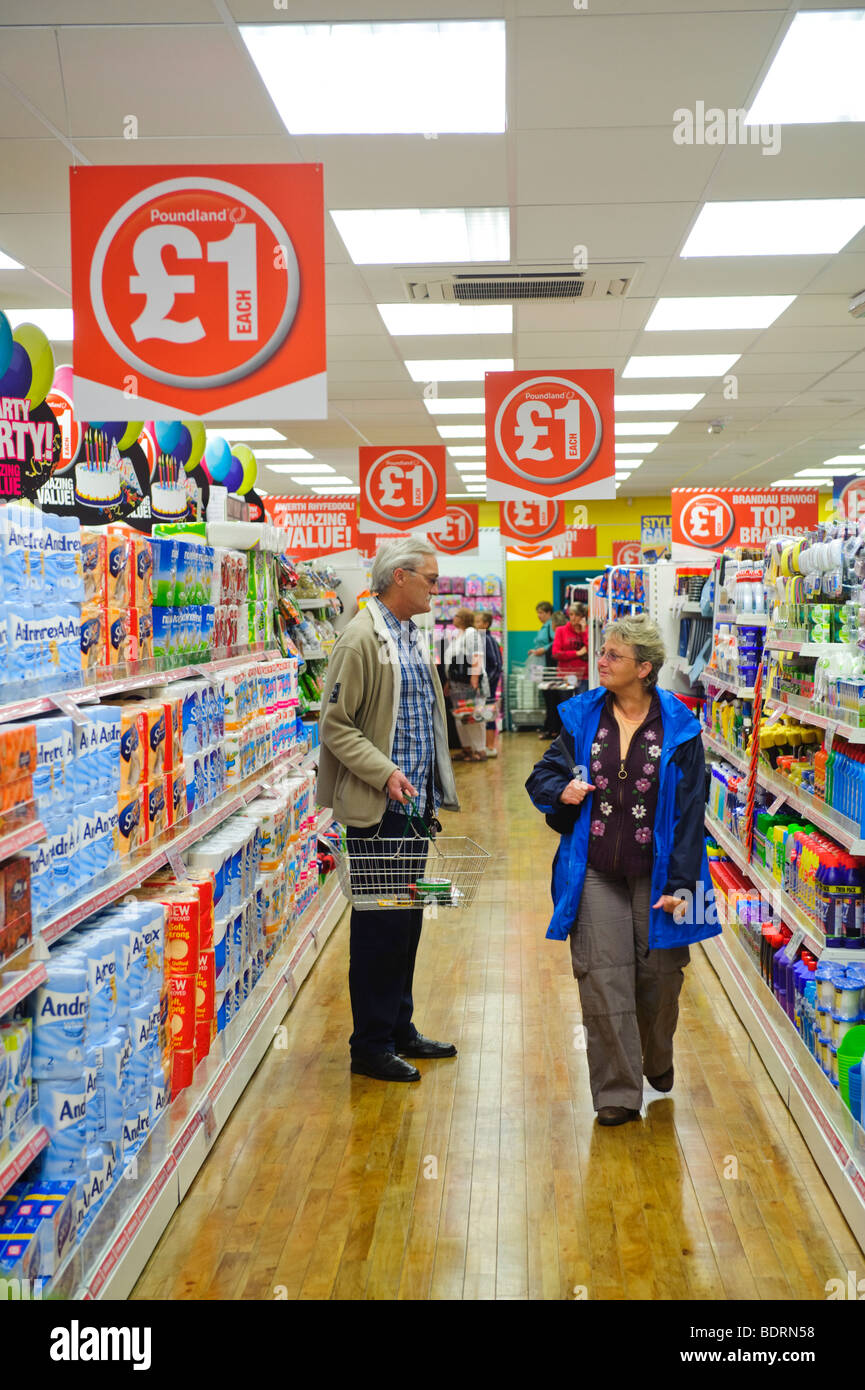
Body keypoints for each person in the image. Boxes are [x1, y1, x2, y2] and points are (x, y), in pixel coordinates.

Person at [525, 614, 718, 1127]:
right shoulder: (583, 716)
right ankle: (616, 1093)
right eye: (603, 652)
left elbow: (690, 812)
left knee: (660, 978)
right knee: (603, 978)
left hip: (659, 876)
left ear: (645, 668)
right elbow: (542, 774)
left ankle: (655, 1058)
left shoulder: (681, 727)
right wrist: (560, 791)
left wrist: (682, 885)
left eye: (614, 655)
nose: (601, 661)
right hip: (594, 869)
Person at [317, 537, 459, 1083]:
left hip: (413, 805)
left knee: (405, 921)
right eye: (430, 579)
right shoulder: (359, 638)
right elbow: (336, 725)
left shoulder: (407, 635)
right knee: (379, 927)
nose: (436, 588)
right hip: (379, 808)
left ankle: (399, 1027)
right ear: (399, 578)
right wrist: (386, 772)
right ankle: (370, 1045)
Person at [444, 608, 489, 762]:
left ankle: (480, 750)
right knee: (461, 717)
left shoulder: (471, 633)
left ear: (463, 618)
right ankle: (467, 749)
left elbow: (477, 655)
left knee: (474, 717)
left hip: (470, 684)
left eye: (456, 615)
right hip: (457, 684)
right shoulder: (458, 636)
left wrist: (474, 679)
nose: (453, 618)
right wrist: (449, 682)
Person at [545, 603, 589, 737]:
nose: (573, 618)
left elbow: (591, 650)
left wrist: (584, 631)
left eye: (577, 615)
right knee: (567, 709)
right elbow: (556, 653)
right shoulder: (561, 631)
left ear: (583, 617)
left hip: (585, 676)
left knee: (583, 708)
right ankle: (567, 737)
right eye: (571, 614)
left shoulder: (587, 631)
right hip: (565, 675)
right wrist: (576, 653)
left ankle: (581, 736)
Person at [475, 611, 503, 757]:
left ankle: (490, 746)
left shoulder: (487, 639)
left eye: (479, 621)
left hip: (488, 686)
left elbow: (497, 664)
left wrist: (487, 682)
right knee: (484, 714)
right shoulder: (480, 639)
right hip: (485, 685)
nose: (476, 624)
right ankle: (487, 745)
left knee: (488, 713)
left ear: (486, 624)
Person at [539, 611, 568, 740]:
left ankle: (552, 730)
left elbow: (555, 655)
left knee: (552, 703)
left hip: (553, 674)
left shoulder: (556, 641)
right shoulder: (566, 639)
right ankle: (556, 729)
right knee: (560, 703)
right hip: (564, 675)